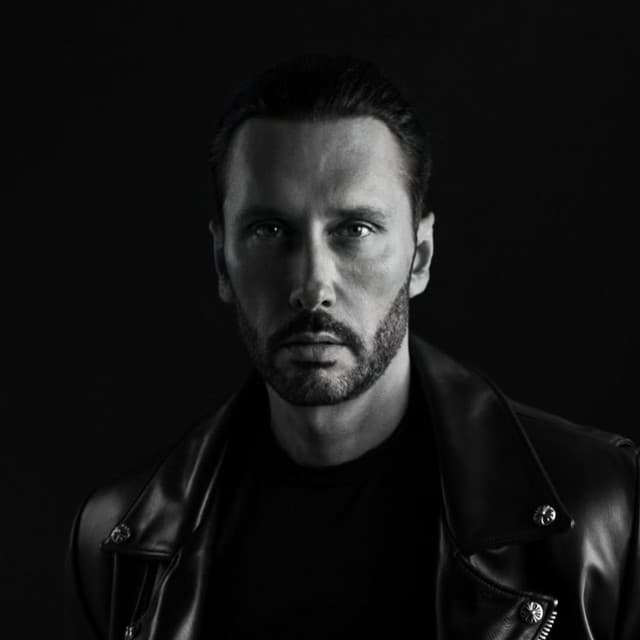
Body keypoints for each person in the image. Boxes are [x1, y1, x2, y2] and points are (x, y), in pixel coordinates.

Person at [65, 55, 639, 640]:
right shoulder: (121, 539)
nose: (312, 285)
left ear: (420, 257)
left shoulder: (603, 512)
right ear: (221, 261)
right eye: (270, 231)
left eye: (355, 230)